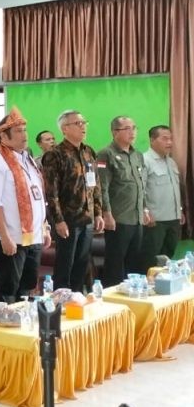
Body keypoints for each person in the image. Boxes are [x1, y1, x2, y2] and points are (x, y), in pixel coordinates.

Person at [0, 108, 51, 304]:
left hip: (31, 235)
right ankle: (0, 328)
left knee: (27, 286)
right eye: (18, 131)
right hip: (10, 237)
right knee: (7, 287)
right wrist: (5, 237)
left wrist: (44, 228)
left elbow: (37, 197)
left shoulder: (26, 159)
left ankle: (21, 324)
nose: (24, 135)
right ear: (3, 135)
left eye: (25, 129)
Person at [42, 111, 104, 292]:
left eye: (84, 122)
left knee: (82, 264)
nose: (83, 126)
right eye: (77, 123)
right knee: (65, 265)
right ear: (64, 129)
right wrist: (58, 220)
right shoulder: (55, 155)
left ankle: (77, 299)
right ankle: (61, 302)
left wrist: (98, 212)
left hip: (87, 217)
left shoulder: (88, 151)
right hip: (67, 220)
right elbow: (51, 192)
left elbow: (95, 185)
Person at [96, 116, 147, 287]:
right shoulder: (106, 154)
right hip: (118, 219)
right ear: (114, 132)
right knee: (115, 265)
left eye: (134, 127)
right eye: (127, 128)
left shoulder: (137, 154)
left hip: (137, 217)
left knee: (135, 263)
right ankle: (112, 301)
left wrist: (145, 209)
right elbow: (102, 186)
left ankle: (133, 295)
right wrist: (107, 213)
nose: (132, 132)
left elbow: (141, 186)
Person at [141, 125, 185, 268]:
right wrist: (145, 211)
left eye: (171, 139)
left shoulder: (171, 162)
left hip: (173, 218)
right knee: (150, 258)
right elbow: (140, 189)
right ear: (152, 140)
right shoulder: (144, 160)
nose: (170, 143)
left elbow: (174, 189)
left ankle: (163, 286)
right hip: (155, 220)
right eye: (165, 139)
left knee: (168, 256)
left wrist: (180, 210)